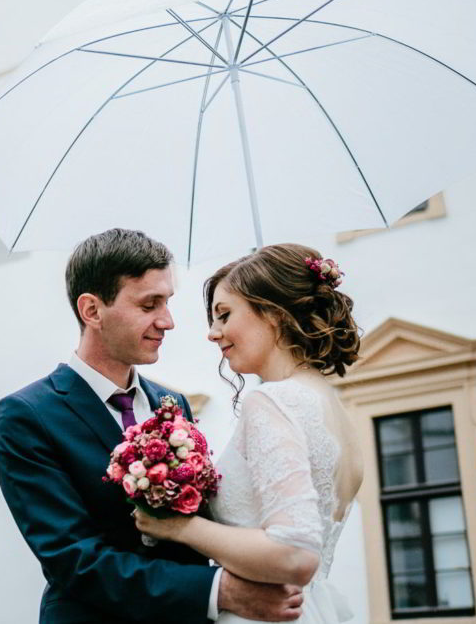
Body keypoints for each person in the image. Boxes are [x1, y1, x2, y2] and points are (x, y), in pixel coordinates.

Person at [0, 229, 306, 624]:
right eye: (149, 304)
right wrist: (220, 591)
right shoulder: (27, 415)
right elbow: (74, 560)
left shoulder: (173, 405)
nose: (168, 322)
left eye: (167, 302)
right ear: (92, 311)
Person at [134, 243, 364, 623]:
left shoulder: (272, 402)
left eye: (224, 315)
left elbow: (294, 553)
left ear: (273, 314)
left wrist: (178, 526)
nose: (213, 333)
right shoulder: (332, 406)